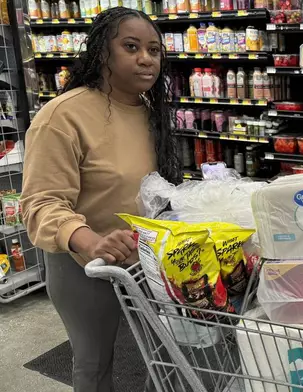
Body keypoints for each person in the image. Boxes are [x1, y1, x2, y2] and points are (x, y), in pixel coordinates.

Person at [21, 7, 181, 391]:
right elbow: (40, 203)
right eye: (131, 46)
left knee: (163, 356)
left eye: (154, 50)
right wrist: (93, 242)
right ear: (101, 53)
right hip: (83, 266)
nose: (146, 58)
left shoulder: (148, 112)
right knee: (94, 363)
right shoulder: (62, 116)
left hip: (143, 259)